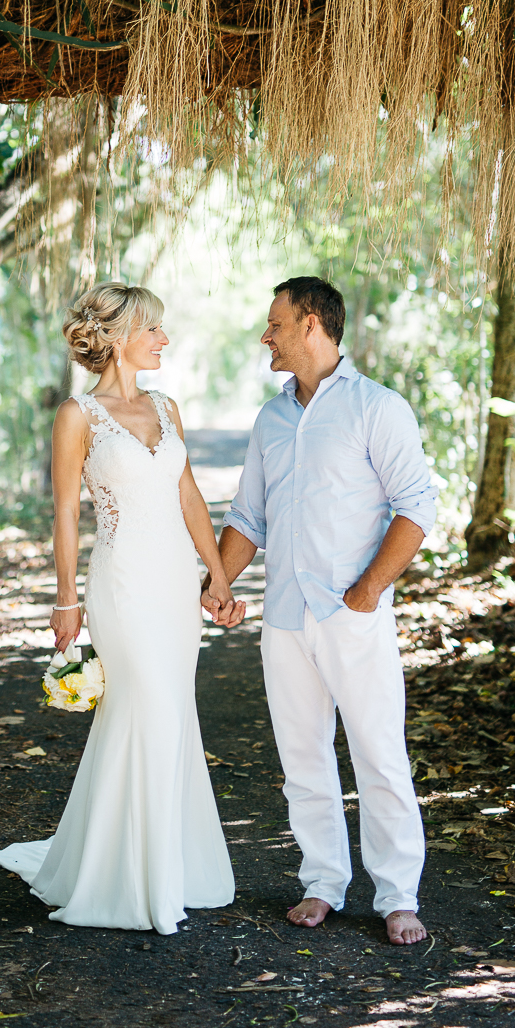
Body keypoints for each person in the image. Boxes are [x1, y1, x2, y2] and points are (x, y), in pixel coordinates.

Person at [0, 281, 245, 934]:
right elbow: (67, 515)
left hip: (173, 584)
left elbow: (188, 495)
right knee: (146, 704)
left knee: (167, 713)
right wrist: (65, 596)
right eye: (153, 329)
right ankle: (138, 885)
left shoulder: (167, 406)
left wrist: (216, 577)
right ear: (119, 337)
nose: (164, 340)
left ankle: (154, 864)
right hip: (122, 582)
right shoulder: (78, 416)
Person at [203, 277, 437, 946]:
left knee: (378, 754)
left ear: (311, 324)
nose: (264, 335)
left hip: (352, 617)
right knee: (302, 757)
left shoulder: (377, 408)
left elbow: (416, 506)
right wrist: (216, 582)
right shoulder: (270, 419)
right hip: (283, 619)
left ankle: (397, 895)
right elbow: (248, 517)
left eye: (273, 323)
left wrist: (367, 593)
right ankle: (323, 882)